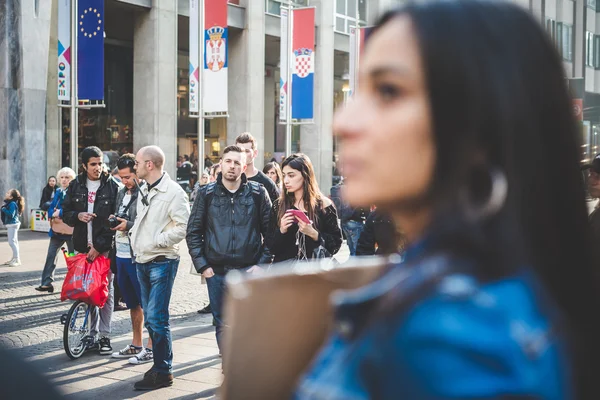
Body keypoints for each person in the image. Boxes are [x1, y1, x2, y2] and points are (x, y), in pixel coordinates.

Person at [293, 2, 600, 399]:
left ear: (481, 126)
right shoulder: (490, 288)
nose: (344, 122)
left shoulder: (451, 332)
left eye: (389, 91)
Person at [187, 145, 272, 355]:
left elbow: (271, 233)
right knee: (222, 323)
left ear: (244, 167)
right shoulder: (206, 194)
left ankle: (244, 370)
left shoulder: (258, 193)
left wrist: (262, 265)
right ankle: (229, 368)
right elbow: (193, 232)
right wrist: (203, 266)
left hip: (248, 270)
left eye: (237, 163)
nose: (232, 166)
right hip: (216, 272)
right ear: (221, 164)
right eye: (228, 161)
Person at [130, 145, 190, 391]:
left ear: (150, 164)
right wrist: (133, 232)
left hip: (162, 260)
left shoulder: (174, 192)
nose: (135, 165)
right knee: (151, 320)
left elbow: (183, 226)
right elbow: (145, 222)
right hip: (143, 259)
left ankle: (164, 371)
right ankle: (158, 367)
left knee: (157, 317)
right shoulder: (145, 187)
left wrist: (157, 240)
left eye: (137, 162)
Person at [62, 146, 120, 356]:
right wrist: (78, 216)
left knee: (104, 290)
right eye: (93, 164)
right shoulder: (75, 185)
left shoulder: (112, 186)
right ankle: (90, 334)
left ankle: (104, 335)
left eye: (100, 163)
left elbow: (113, 221)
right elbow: (65, 212)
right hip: (80, 246)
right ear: (84, 165)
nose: (98, 167)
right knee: (87, 291)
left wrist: (100, 246)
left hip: (103, 249)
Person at [109, 154, 154, 364]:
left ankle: (152, 347)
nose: (125, 181)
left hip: (139, 255)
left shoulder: (146, 192)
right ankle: (136, 344)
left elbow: (148, 223)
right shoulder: (120, 192)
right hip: (121, 253)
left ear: (137, 172)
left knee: (147, 303)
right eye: (121, 177)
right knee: (132, 303)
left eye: (128, 177)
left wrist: (127, 225)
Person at [267, 154, 342, 263]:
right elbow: (270, 247)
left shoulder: (324, 205)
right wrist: (281, 230)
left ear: (305, 175)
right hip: (285, 273)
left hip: (314, 273)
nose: (286, 180)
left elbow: (336, 245)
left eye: (291, 175)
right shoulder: (278, 205)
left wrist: (314, 234)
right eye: (284, 175)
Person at [35, 167, 77, 292]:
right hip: (57, 230)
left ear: (72, 179)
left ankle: (75, 284)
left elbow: (76, 209)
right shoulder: (58, 191)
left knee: (72, 258)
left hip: (71, 230)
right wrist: (51, 213)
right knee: (51, 255)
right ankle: (47, 282)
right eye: (62, 177)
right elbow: (50, 207)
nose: (64, 180)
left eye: (67, 177)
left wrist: (61, 212)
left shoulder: (75, 192)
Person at [235, 132, 280, 203]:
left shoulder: (267, 183)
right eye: (239, 151)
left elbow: (275, 211)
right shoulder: (228, 180)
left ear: (255, 153)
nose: (242, 154)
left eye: (247, 151)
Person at [330, 179, 368, 256]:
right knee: (357, 250)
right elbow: (365, 206)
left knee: (352, 250)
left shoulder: (338, 189)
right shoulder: (356, 190)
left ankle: (352, 263)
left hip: (344, 222)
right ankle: (355, 266)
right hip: (355, 222)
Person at [1, 190, 25, 266]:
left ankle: (17, 260)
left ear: (11, 197)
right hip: (12, 224)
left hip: (13, 225)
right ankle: (14, 258)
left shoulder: (12, 204)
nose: (6, 193)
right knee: (14, 242)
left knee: (12, 242)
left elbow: (11, 214)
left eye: (8, 193)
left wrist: (4, 209)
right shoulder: (10, 203)